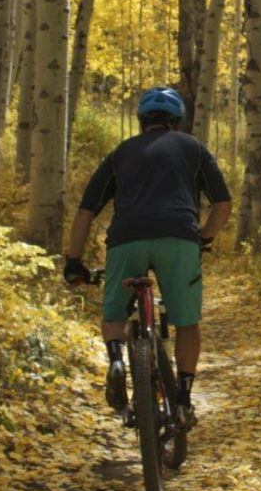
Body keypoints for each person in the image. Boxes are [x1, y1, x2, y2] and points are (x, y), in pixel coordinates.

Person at [60, 87, 233, 423]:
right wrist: (204, 238)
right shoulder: (193, 149)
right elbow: (223, 205)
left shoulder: (120, 154)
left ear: (141, 122)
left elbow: (85, 213)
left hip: (127, 238)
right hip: (179, 237)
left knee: (114, 315)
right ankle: (182, 401)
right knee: (186, 323)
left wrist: (73, 262)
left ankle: (116, 361)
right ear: (177, 122)